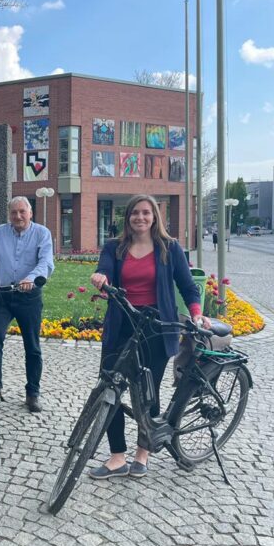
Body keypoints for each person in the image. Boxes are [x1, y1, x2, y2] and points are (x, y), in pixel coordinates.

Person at [89, 194, 210, 479]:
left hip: (157, 327)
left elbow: (188, 285)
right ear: (127, 217)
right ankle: (117, 456)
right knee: (111, 389)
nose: (140, 218)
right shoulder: (114, 248)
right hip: (122, 324)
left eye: (146, 213)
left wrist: (195, 312)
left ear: (154, 216)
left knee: (147, 391)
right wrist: (101, 278)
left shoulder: (169, 248)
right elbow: (104, 269)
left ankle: (143, 453)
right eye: (135, 213)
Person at [0, 196, 54, 413]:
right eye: (14, 213)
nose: (18, 216)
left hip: (28, 297)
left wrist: (31, 278)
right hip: (1, 295)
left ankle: (33, 393)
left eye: (22, 211)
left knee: (32, 346)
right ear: (9, 215)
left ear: (30, 213)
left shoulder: (42, 233)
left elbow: (46, 263)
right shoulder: (0, 232)